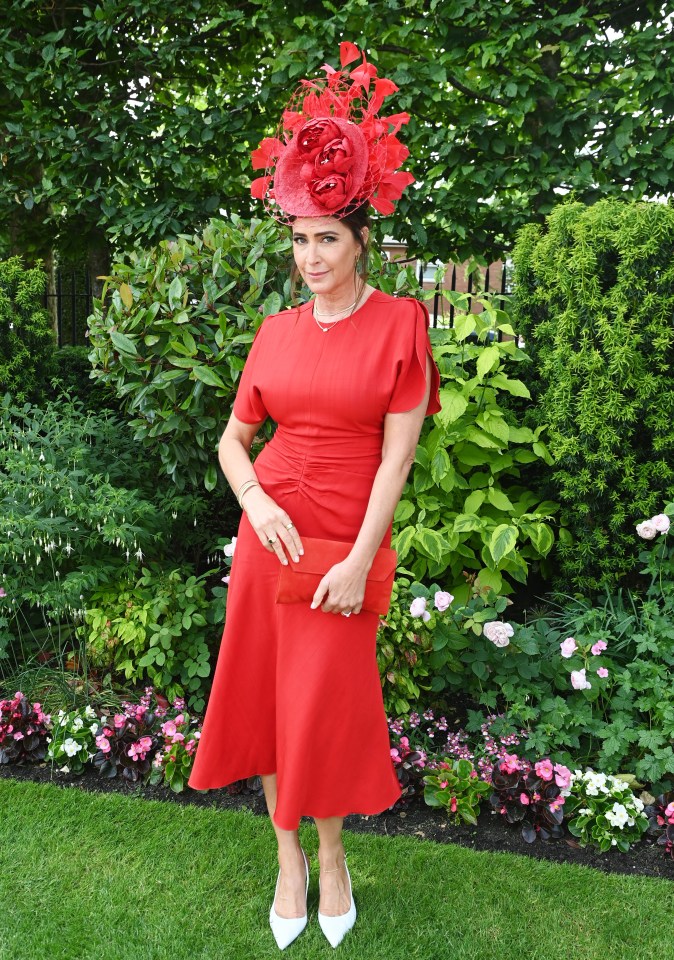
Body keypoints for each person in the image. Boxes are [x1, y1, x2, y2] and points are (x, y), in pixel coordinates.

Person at [187, 42, 441, 950]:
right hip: (272, 537)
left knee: (326, 704)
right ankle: (288, 859)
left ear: (363, 240)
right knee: (264, 697)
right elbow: (232, 438)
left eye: (327, 238)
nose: (311, 257)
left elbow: (397, 461)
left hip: (344, 542)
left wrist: (363, 558)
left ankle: (334, 857)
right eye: (299, 239)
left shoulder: (400, 326)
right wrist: (253, 501)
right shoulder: (275, 332)